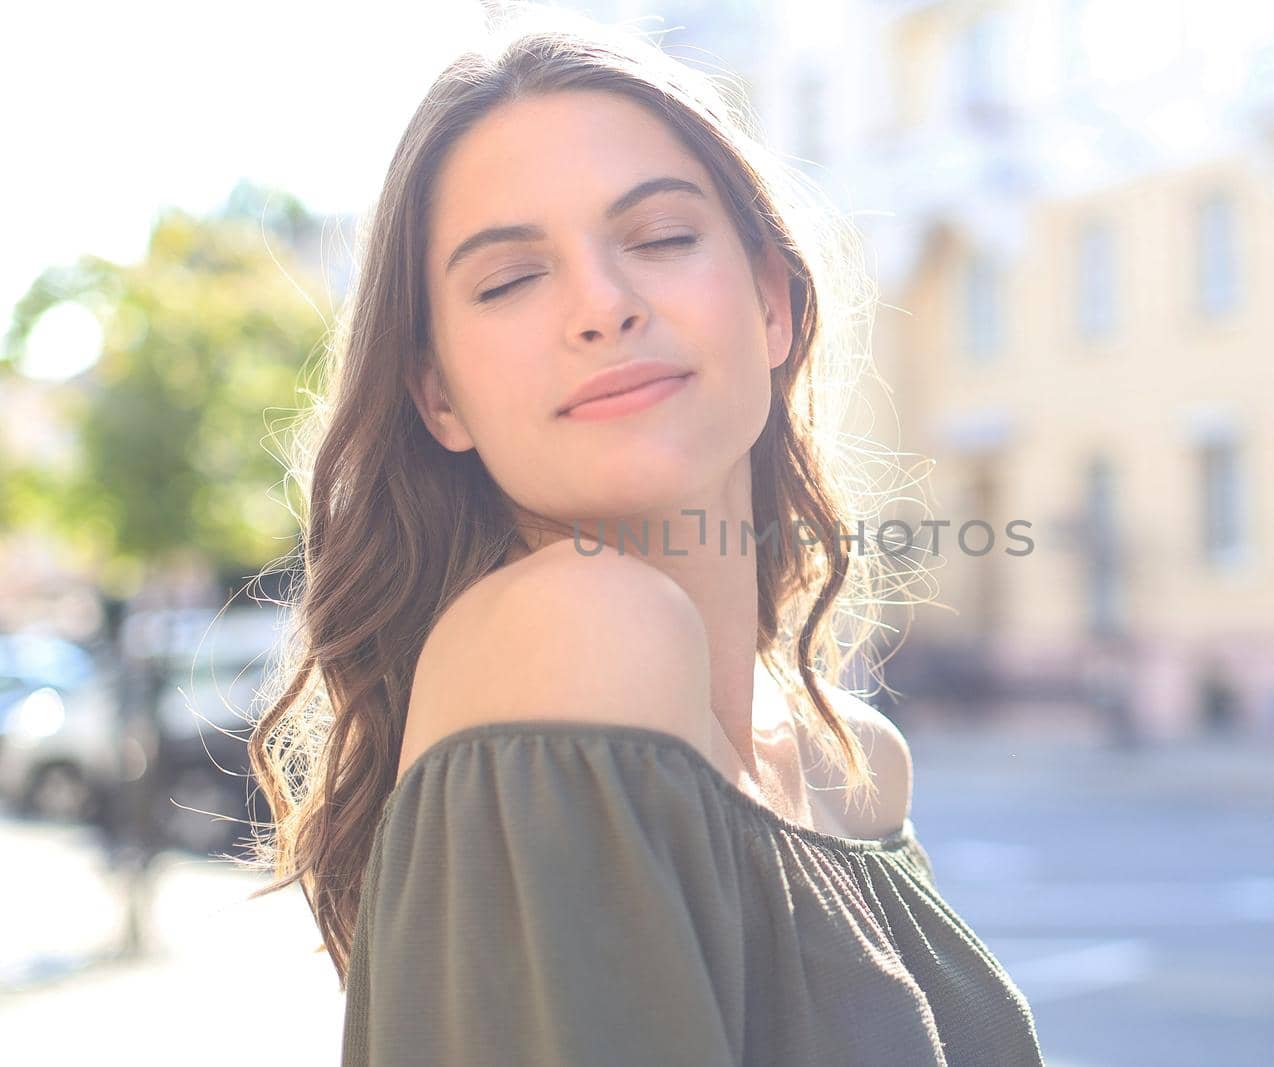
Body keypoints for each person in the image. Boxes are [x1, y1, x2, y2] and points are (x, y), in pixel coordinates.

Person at [241, 7, 1045, 1064]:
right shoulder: (571, 627)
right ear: (437, 394)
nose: (603, 304)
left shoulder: (853, 758)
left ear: (770, 300)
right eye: (510, 279)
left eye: (661, 237)